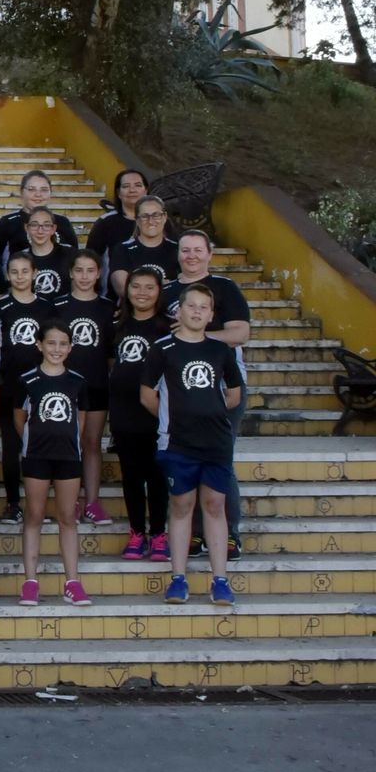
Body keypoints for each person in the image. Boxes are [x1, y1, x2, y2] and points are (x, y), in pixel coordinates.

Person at [141, 282, 244, 606]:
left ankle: (220, 580)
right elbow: (147, 395)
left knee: (214, 506)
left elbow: (234, 394)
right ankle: (178, 579)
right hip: (178, 443)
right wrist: (174, 420)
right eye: (192, 305)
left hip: (216, 443)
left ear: (211, 314)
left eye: (204, 307)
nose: (197, 311)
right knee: (182, 506)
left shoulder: (219, 350)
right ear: (179, 310)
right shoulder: (162, 348)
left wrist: (207, 414)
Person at [158, 230, 252, 554]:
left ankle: (229, 534)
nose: (192, 256)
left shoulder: (224, 288)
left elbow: (241, 331)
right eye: (186, 250)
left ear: (210, 253)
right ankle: (195, 534)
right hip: (178, 390)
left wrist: (199, 335)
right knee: (184, 462)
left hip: (223, 386)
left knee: (220, 459)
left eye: (198, 250)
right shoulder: (167, 290)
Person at [16, 320, 90, 606]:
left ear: (70, 347)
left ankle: (72, 582)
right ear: (39, 345)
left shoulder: (78, 382)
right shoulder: (27, 380)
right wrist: (33, 443)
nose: (56, 349)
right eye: (51, 343)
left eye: (62, 344)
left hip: (69, 457)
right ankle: (30, 582)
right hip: (36, 456)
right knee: (34, 516)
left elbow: (80, 421)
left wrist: (67, 443)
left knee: (67, 518)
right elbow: (19, 419)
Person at [109, 266, 170, 561]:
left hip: (156, 412)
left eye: (149, 287)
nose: (142, 293)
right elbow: (111, 362)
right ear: (127, 290)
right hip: (123, 412)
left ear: (159, 292)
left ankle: (158, 533)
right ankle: (137, 533)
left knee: (156, 475)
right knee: (132, 477)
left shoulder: (167, 327)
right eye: (136, 286)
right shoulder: (117, 324)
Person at [0, 250, 55, 523]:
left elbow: (54, 343)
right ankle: (13, 502)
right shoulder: (0, 307)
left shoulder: (46, 307)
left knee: (40, 443)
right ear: (7, 275)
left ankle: (38, 504)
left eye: (25, 271)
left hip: (40, 386)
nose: (19, 276)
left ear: (35, 274)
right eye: (14, 272)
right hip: (9, 385)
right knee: (10, 446)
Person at [62, 249, 115, 523]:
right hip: (65, 387)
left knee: (92, 442)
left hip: (96, 385)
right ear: (71, 272)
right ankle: (69, 502)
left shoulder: (108, 308)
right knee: (69, 442)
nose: (84, 276)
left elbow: (110, 355)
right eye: (79, 270)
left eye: (90, 270)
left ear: (99, 273)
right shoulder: (58, 307)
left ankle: (92, 501)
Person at [0, 170, 77, 266]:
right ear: (21, 192)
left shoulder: (62, 222)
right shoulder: (7, 223)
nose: (38, 194)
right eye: (31, 189)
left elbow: (75, 260)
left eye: (44, 190)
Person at [108, 196, 181, 298]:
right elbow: (122, 289)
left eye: (156, 215)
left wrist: (140, 288)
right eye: (145, 216)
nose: (151, 221)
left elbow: (184, 286)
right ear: (137, 220)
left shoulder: (177, 249)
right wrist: (162, 286)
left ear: (164, 217)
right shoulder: (122, 250)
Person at [87, 167, 150, 269]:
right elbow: (90, 259)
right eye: (126, 186)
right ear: (118, 193)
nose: (132, 190)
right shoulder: (105, 222)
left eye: (138, 185)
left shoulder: (159, 221)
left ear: (146, 190)